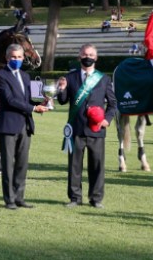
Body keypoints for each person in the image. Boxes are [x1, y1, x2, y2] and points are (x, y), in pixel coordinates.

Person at [56, 44, 115, 209]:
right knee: (75, 166)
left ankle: (96, 199)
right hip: (76, 129)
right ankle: (75, 198)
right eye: (84, 55)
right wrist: (61, 89)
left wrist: (107, 120)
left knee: (97, 166)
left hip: (97, 130)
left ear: (96, 58)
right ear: (79, 57)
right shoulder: (70, 77)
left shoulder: (103, 79)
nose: (87, 57)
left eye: (90, 55)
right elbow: (62, 101)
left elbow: (113, 103)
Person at [0, 44, 49, 210]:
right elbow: (9, 100)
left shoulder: (25, 76)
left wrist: (40, 104)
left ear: (23, 58)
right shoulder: (0, 76)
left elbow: (26, 101)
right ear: (7, 58)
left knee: (22, 164)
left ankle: (19, 198)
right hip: (8, 125)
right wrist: (33, 108)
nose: (16, 60)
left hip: (25, 125)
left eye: (19, 57)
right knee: (8, 164)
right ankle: (9, 200)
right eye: (13, 57)